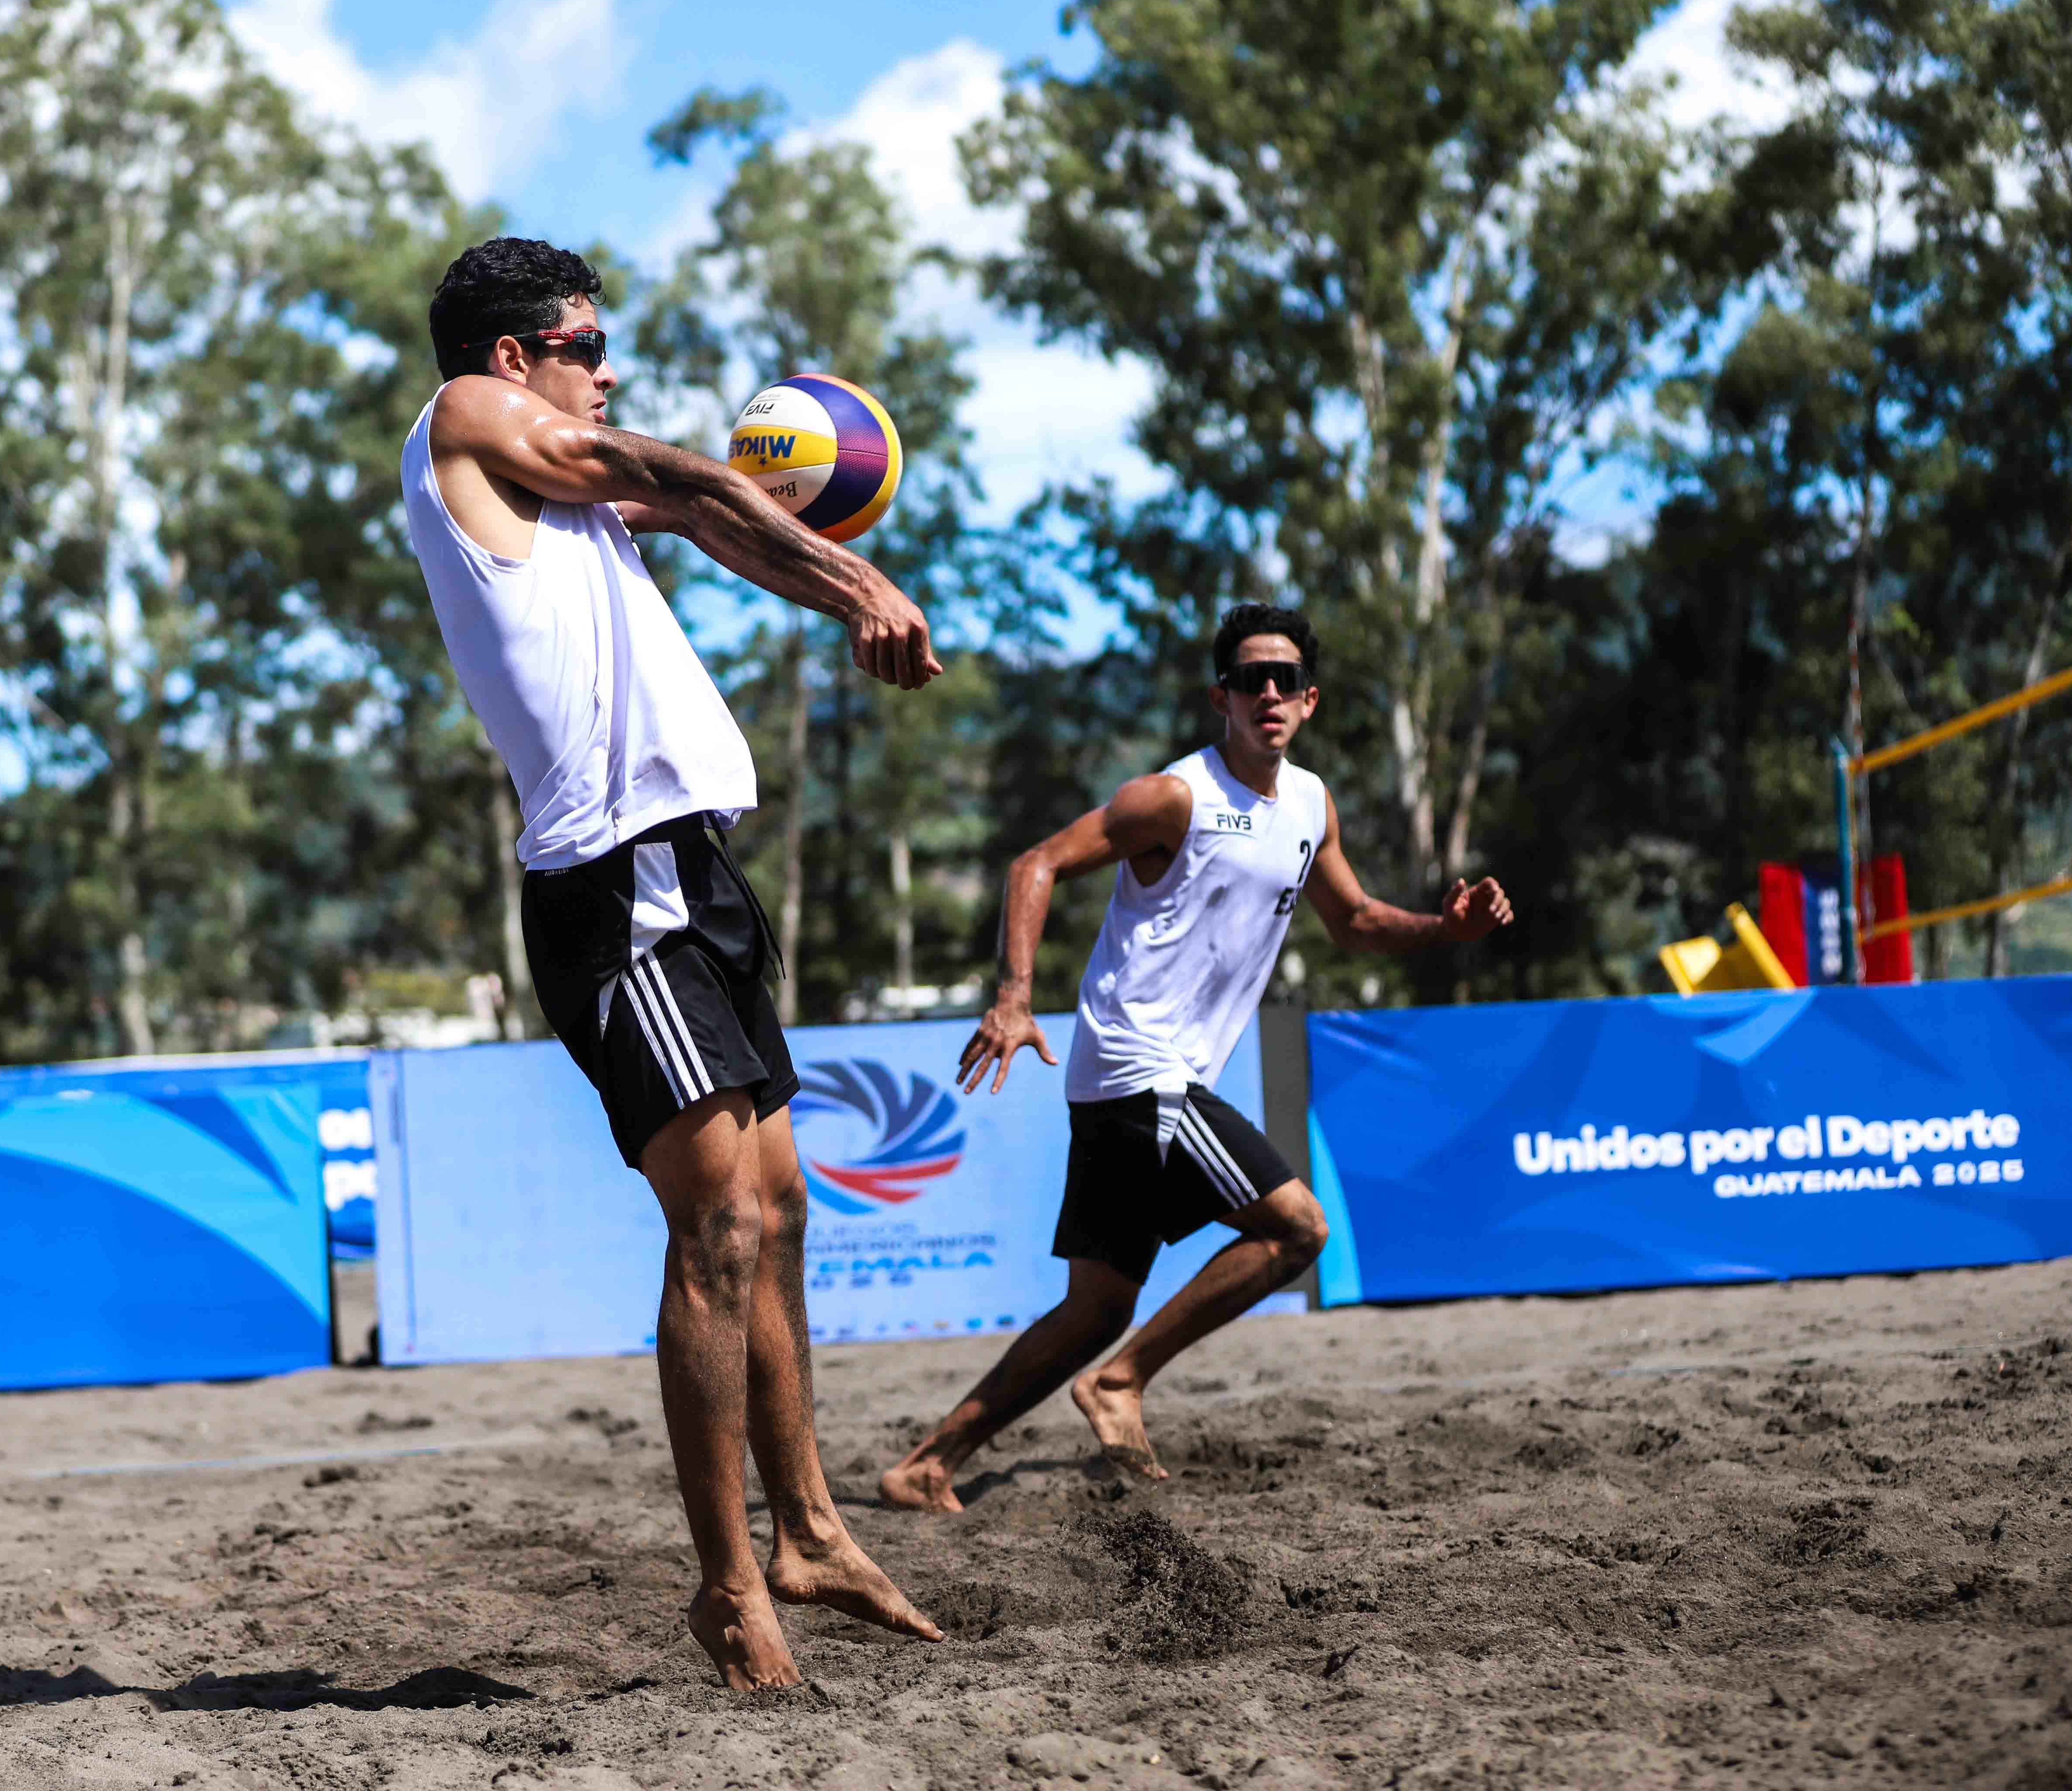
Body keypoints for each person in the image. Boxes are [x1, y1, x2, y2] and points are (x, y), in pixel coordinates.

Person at [402, 238, 944, 1687]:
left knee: (779, 1208)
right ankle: (727, 1588)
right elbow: (693, 480)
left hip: (694, 874)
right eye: (585, 343)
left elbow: (712, 515)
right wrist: (859, 580)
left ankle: (810, 1534)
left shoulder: (558, 480)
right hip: (614, 883)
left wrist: (835, 579)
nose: (607, 366)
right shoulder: (468, 418)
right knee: (717, 1232)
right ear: (511, 357)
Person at [879, 604, 1513, 1513]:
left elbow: (1356, 921)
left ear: (1310, 700)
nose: (1269, 693)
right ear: (1221, 697)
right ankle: (1120, 1382)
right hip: (1139, 1065)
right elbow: (1035, 864)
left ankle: (928, 1464)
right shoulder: (1175, 798)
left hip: (1138, 1082)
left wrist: (1444, 929)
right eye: (1251, 679)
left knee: (1097, 1309)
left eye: (1286, 680)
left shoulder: (1310, 803)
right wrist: (1013, 997)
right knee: (1298, 1229)